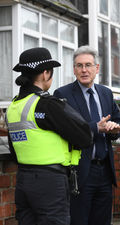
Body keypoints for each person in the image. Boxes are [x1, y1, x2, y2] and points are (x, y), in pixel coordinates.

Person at [5, 47, 92, 225]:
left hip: (23, 180)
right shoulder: (46, 105)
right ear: (45, 73)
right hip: (50, 182)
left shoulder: (13, 107)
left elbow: (14, 149)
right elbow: (84, 136)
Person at [54, 45, 120, 225]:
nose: (84, 70)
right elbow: (66, 130)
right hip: (79, 173)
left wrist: (114, 129)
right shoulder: (63, 94)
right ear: (74, 69)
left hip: (105, 171)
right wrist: (96, 128)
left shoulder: (106, 93)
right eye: (79, 66)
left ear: (97, 68)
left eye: (88, 65)